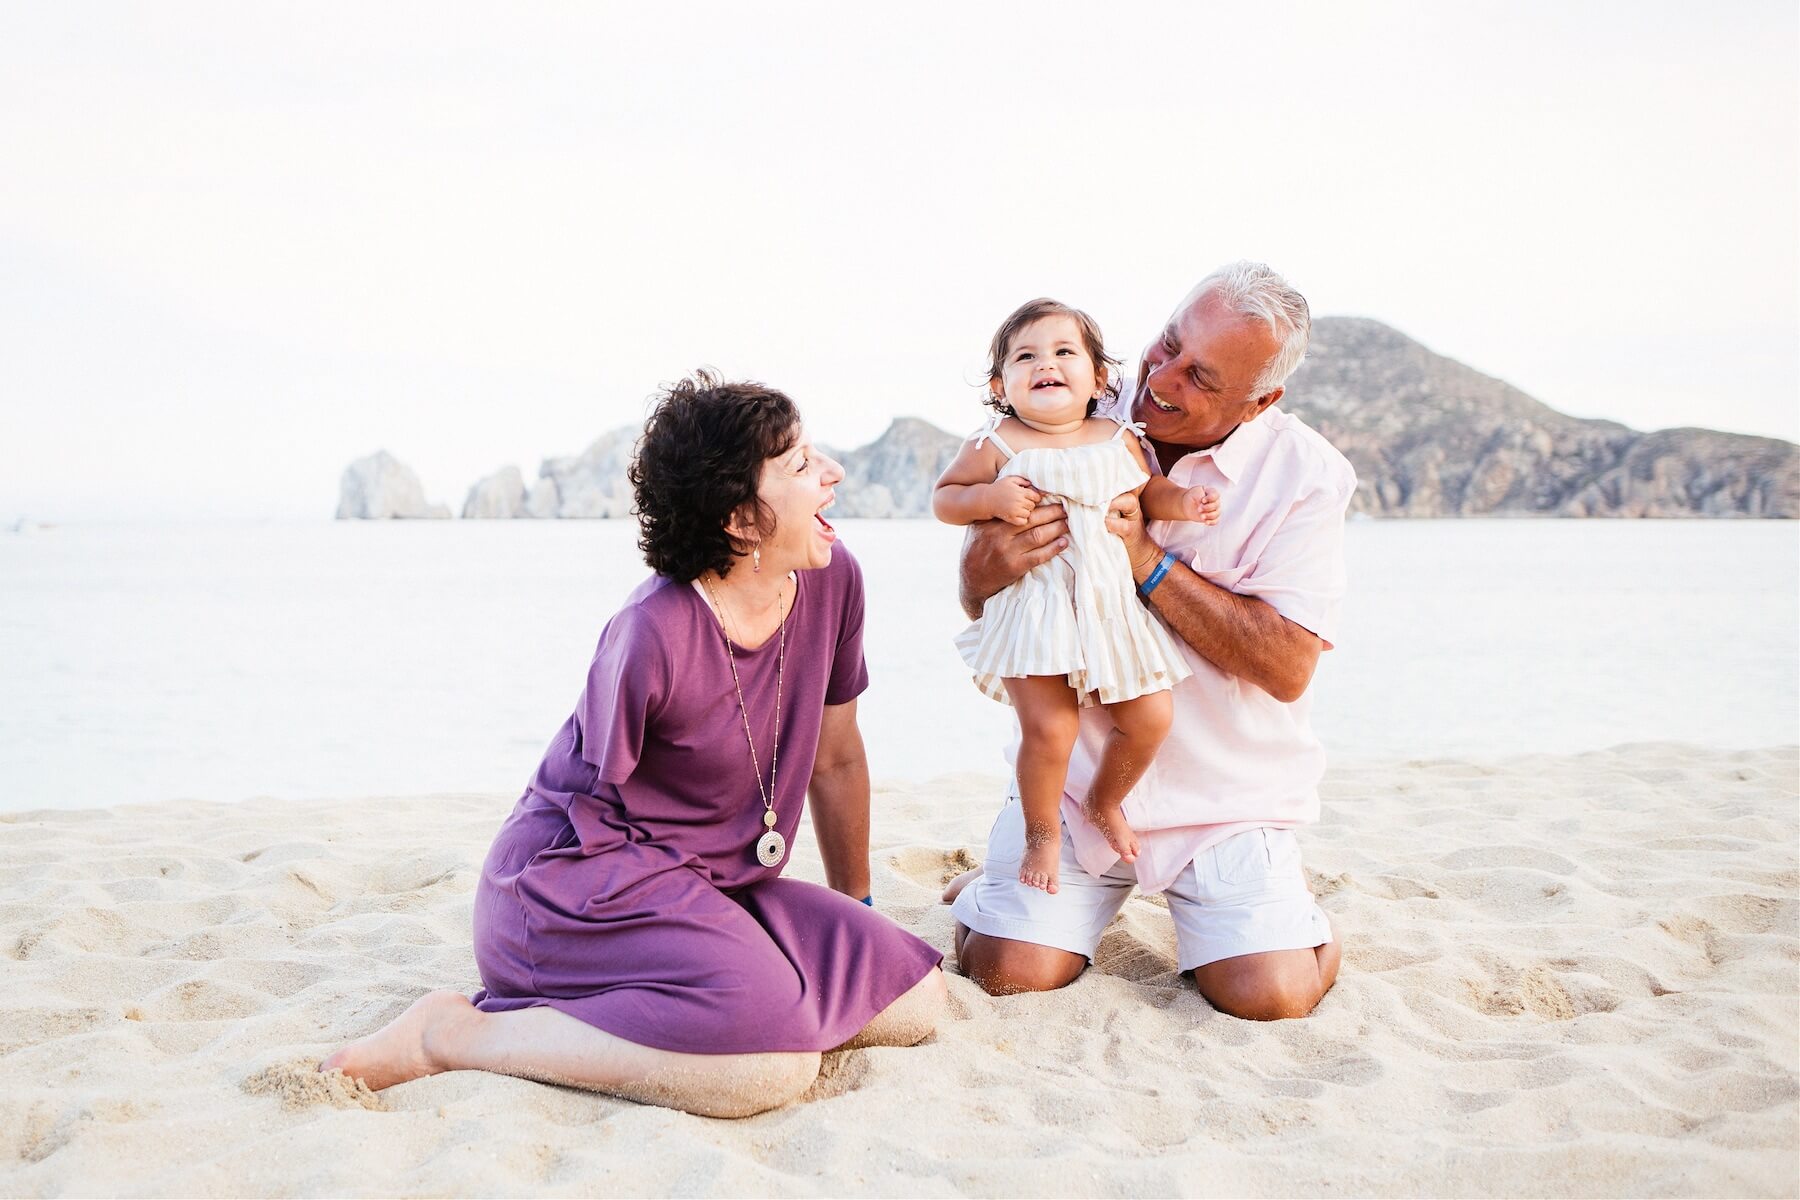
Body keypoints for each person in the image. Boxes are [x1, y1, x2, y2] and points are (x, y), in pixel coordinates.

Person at [323, 371, 947, 1116]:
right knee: (772, 1067)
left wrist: (858, 906)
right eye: (802, 465)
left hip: (719, 882)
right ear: (743, 520)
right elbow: (589, 812)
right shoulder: (653, 631)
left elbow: (836, 757)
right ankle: (451, 1035)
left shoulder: (834, 578)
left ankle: (736, 993)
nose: (832, 474)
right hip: (576, 888)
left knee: (912, 997)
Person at [948, 262, 1354, 1021]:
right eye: (1166, 344)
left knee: (1269, 997)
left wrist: (1146, 560)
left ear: (1260, 399)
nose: (1160, 378)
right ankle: (1005, 877)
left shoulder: (1306, 476)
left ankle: (1301, 926)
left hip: (1226, 796)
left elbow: (1289, 664)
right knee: (1008, 972)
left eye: (1200, 375)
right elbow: (987, 601)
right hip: (1075, 785)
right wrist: (979, 571)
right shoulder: (1064, 407)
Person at [932, 298, 1218, 892]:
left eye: (1065, 352)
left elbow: (1151, 493)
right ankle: (1041, 834)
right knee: (1050, 732)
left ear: (1100, 378)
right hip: (1033, 612)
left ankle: (1104, 800)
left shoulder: (1118, 437)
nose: (1046, 364)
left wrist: (1185, 504)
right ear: (1000, 384)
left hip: (1109, 610)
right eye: (1025, 357)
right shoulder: (997, 443)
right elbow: (945, 497)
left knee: (1150, 715)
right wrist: (988, 501)